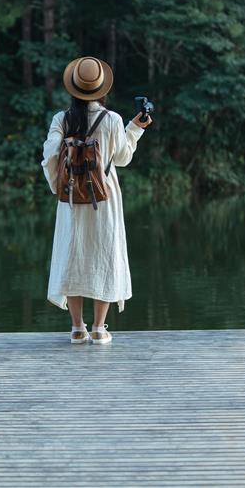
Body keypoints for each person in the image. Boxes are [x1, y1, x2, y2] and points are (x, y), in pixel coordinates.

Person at [40, 56, 152, 344]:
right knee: (105, 253)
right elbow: (124, 158)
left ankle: (78, 327)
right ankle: (100, 328)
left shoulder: (61, 119)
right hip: (104, 197)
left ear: (73, 88)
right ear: (101, 89)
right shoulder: (112, 119)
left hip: (71, 198)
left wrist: (60, 187)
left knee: (73, 253)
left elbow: (50, 156)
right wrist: (136, 127)